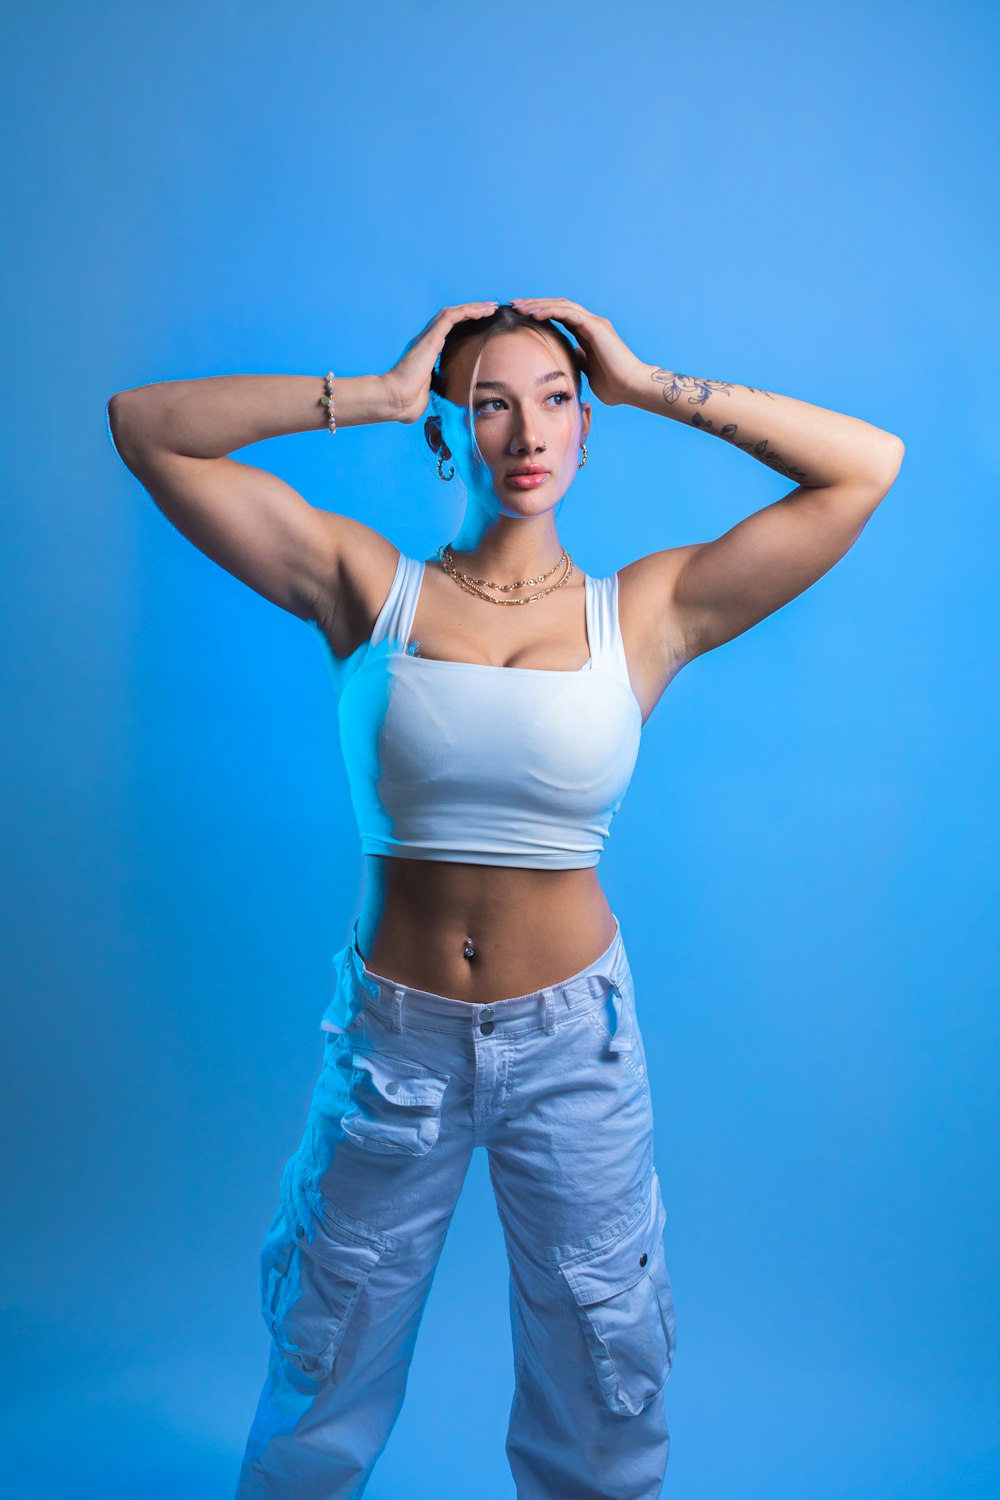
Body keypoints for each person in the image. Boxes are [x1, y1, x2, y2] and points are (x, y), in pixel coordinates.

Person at [106, 298, 904, 1499]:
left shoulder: (644, 610)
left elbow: (863, 470)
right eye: (488, 402)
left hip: (573, 1050)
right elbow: (147, 429)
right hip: (395, 1049)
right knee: (321, 1373)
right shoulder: (363, 585)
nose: (525, 432)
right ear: (447, 432)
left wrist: (642, 381)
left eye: (552, 402)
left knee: (602, 1387)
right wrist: (374, 391)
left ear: (583, 431)